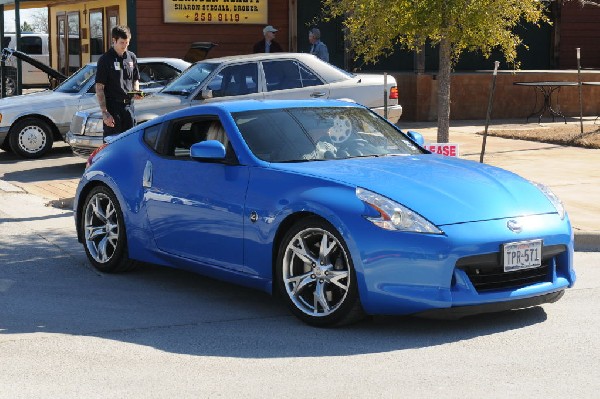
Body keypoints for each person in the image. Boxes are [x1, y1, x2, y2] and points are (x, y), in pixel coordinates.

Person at [95, 25, 142, 139]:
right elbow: (99, 87)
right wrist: (105, 112)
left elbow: (135, 78)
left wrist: (136, 91)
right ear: (114, 40)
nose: (125, 46)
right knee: (113, 142)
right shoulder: (105, 59)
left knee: (130, 141)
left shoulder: (132, 57)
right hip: (113, 107)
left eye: (127, 42)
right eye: (122, 42)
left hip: (129, 107)